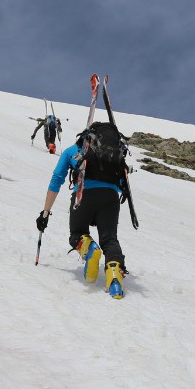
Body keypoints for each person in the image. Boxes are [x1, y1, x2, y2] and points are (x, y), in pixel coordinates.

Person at [36, 122, 129, 294]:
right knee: (109, 239)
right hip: (110, 197)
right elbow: (123, 181)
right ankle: (115, 280)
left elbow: (57, 179)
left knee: (77, 234)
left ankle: (89, 247)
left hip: (84, 194)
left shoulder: (73, 151)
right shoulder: (113, 153)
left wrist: (46, 212)